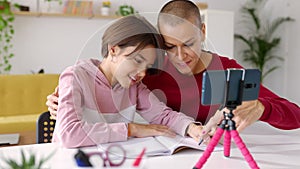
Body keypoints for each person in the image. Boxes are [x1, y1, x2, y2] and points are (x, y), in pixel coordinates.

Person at [47, 0, 300, 142]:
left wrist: (262, 108)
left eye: (188, 44)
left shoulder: (226, 70)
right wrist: (58, 101)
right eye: (169, 47)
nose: (180, 56)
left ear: (202, 32)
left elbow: (295, 115)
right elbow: (86, 100)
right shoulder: (148, 71)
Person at [52, 15, 203, 148]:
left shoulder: (134, 87)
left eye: (147, 67)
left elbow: (163, 116)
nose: (142, 73)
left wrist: (192, 128)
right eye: (137, 60)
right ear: (113, 50)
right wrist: (131, 129)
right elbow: (69, 134)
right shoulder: (75, 77)